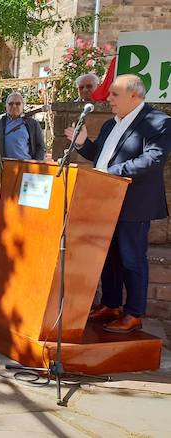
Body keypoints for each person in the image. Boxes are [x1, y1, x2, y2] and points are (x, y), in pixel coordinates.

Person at [64, 74, 171, 334]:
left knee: (131, 258)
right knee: (109, 257)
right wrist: (82, 145)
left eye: (114, 94)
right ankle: (111, 304)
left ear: (134, 95)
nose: (107, 98)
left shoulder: (158, 122)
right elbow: (99, 157)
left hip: (133, 204)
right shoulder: (112, 125)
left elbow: (153, 160)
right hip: (105, 200)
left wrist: (112, 172)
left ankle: (133, 313)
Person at [0, 92, 46, 161]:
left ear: (23, 106)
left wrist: (36, 164)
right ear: (6, 106)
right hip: (5, 166)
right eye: (10, 104)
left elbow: (40, 147)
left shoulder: (32, 123)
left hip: (26, 165)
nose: (14, 106)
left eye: (18, 104)